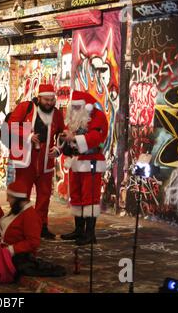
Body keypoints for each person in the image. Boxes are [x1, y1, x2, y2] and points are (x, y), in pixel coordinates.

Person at [7, 84, 65, 239]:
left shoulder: (57, 114)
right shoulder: (25, 107)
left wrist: (59, 149)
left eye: (52, 100)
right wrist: (27, 136)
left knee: (44, 196)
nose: (49, 103)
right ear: (39, 98)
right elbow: (11, 125)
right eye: (46, 99)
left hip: (45, 161)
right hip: (26, 160)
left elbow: (62, 133)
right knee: (22, 194)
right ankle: (20, 225)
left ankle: (41, 226)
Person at [59, 91, 108, 245]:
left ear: (86, 107)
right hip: (76, 161)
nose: (74, 110)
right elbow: (69, 136)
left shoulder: (98, 117)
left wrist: (73, 138)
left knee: (90, 197)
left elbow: (96, 138)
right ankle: (79, 230)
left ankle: (90, 233)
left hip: (91, 161)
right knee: (76, 195)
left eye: (77, 107)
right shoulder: (74, 119)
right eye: (73, 107)